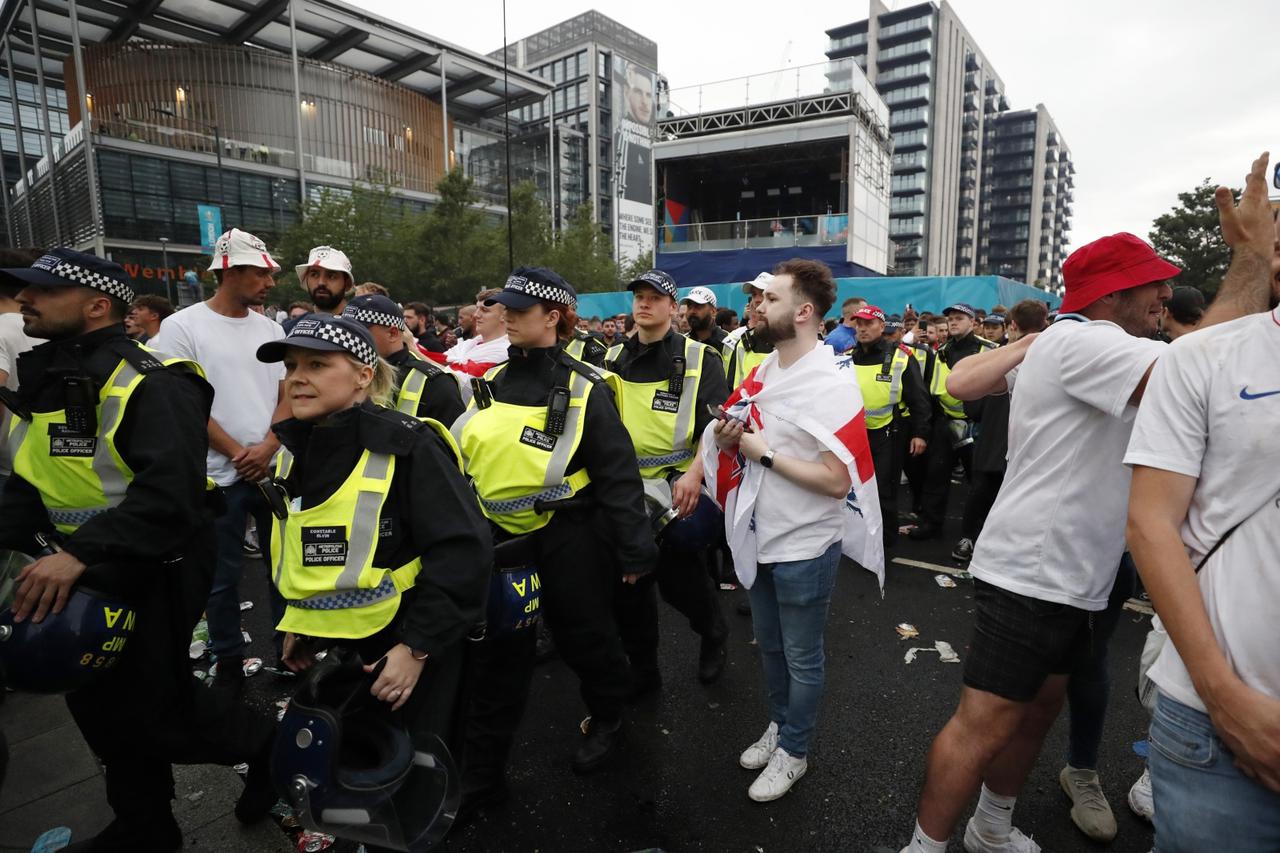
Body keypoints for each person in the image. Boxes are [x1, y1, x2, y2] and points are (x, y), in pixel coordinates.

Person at [892, 153, 1275, 853]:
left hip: (1076, 577)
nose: (1166, 293)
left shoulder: (1079, 342)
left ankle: (991, 827)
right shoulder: (1090, 344)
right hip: (1032, 576)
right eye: (1150, 284)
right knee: (982, 724)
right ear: (1108, 295)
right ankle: (924, 845)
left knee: (1036, 715)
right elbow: (1211, 368)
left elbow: (971, 379)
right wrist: (1251, 258)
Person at [0, 249, 277, 851]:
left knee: (158, 708)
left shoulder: (153, 381)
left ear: (98, 305)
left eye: (43, 291)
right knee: (99, 707)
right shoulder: (44, 376)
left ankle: (268, 749)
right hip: (76, 566)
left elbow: (171, 497)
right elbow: (30, 476)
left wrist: (81, 553)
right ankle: (145, 824)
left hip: (154, 562)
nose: (25, 300)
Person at [258, 314, 490, 852]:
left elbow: (462, 554)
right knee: (357, 770)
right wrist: (300, 625)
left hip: (407, 645)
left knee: (410, 777)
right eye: (291, 366)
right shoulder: (298, 447)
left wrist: (417, 647)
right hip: (341, 649)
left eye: (317, 364)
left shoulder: (409, 446)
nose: (297, 377)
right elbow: (308, 557)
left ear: (363, 375)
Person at [453, 268, 655, 797]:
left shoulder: (585, 387)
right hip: (501, 537)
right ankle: (481, 772)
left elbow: (618, 475)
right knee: (499, 649)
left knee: (584, 634)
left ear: (554, 317)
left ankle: (608, 716)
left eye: (521, 309)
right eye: (505, 308)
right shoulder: (492, 383)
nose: (507, 316)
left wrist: (635, 551)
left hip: (571, 534)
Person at [1125, 207, 1280, 853]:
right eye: (1150, 286)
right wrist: (1223, 698)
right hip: (1220, 726)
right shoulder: (1203, 358)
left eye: (1169, 289)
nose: (1162, 297)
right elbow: (1150, 519)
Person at [707, 258, 882, 803]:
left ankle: (796, 751)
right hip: (760, 534)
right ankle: (780, 728)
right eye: (759, 299)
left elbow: (836, 482)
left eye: (771, 299)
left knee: (803, 657)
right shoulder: (764, 372)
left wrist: (763, 455)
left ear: (804, 312)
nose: (758, 306)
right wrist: (729, 439)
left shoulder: (831, 384)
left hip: (807, 544)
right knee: (771, 650)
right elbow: (736, 426)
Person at [153, 228, 290, 687]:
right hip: (218, 476)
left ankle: (290, 654)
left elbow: (288, 393)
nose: (270, 284)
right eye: (260, 273)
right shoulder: (182, 327)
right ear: (228, 271)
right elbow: (181, 403)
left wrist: (269, 446)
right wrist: (237, 453)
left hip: (271, 471)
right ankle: (228, 660)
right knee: (221, 577)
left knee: (284, 572)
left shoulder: (271, 328)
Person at [605, 270, 730, 689]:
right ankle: (644, 672)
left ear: (673, 307)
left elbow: (715, 428)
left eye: (654, 298)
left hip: (679, 482)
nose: (644, 304)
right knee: (630, 587)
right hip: (626, 488)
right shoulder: (611, 360)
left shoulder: (700, 358)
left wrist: (695, 475)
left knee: (681, 583)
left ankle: (713, 634)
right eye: (638, 297)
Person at [951, 300, 1048, 565]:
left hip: (998, 437)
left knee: (983, 491)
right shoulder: (1056, 355)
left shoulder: (998, 357)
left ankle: (971, 539)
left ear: (1011, 326)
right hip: (1027, 443)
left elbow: (968, 396)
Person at [908, 303, 997, 542]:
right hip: (945, 422)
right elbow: (932, 388)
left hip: (976, 425)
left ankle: (976, 534)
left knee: (979, 484)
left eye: (959, 318)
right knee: (935, 477)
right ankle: (931, 524)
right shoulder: (942, 350)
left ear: (973, 322)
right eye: (951, 319)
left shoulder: (989, 350)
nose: (953, 322)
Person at [845, 305, 929, 549]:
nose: (862, 328)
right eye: (858, 323)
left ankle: (883, 544)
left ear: (882, 327)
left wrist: (920, 433)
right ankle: (858, 538)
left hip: (889, 433)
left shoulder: (901, 356)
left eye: (868, 323)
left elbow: (919, 399)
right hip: (855, 434)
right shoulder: (848, 356)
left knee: (883, 490)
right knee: (853, 489)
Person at [342, 294, 465, 426]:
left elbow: (452, 442)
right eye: (344, 331)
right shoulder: (341, 371)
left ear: (392, 334)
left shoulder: (435, 384)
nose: (347, 338)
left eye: (358, 331)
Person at [723, 273, 775, 389]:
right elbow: (733, 389)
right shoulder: (741, 343)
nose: (757, 300)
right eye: (754, 294)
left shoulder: (791, 340)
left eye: (763, 293)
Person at [445, 289, 509, 377]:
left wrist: (419, 354)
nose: (476, 315)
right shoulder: (470, 343)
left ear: (504, 316)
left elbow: (456, 378)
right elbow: (441, 358)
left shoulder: (504, 351)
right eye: (477, 309)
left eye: (484, 310)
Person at [295, 245, 354, 315]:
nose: (321, 283)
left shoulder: (362, 324)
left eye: (331, 276)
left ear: (347, 284)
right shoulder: (293, 325)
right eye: (314, 275)